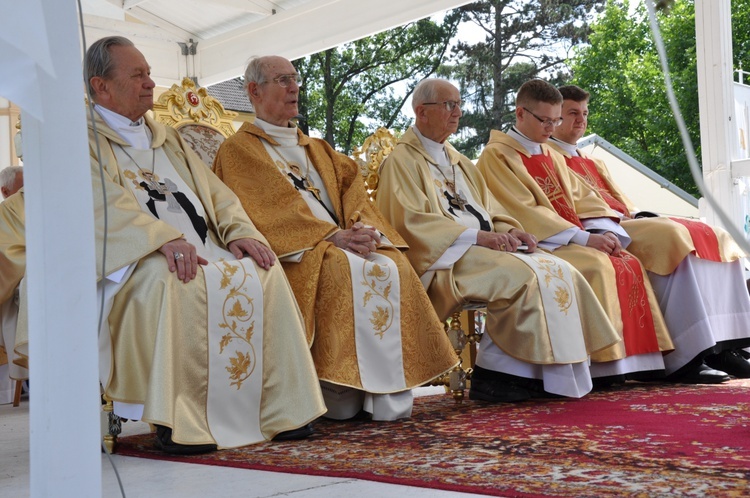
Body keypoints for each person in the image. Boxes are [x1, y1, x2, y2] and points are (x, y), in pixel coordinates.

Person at [8, 36, 327, 454]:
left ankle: (282, 410)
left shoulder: (167, 137)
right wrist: (159, 239)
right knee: (173, 279)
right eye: (137, 75)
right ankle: (177, 419)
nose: (150, 83)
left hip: (196, 246)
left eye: (149, 73)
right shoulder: (76, 138)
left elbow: (216, 194)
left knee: (265, 270)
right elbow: (96, 204)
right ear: (100, 85)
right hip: (120, 259)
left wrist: (239, 231)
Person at [213, 56, 458, 420]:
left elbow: (354, 192)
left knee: (395, 265)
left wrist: (362, 229)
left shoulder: (319, 148)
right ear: (254, 91)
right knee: (342, 268)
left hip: (341, 241)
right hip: (296, 252)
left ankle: (386, 397)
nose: (294, 87)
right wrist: (331, 237)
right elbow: (260, 211)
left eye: (294, 79)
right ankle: (340, 393)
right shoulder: (238, 151)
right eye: (282, 80)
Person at [375, 78, 621, 401]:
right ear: (421, 112)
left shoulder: (460, 162)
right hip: (448, 259)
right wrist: (478, 237)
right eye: (449, 105)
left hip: (481, 247)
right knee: (523, 276)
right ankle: (497, 375)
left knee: (560, 269)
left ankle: (545, 375)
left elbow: (490, 209)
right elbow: (409, 224)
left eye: (459, 105)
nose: (457, 113)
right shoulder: (401, 162)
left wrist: (510, 231)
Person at [477, 79, 684, 385]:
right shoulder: (498, 156)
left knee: (625, 260)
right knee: (598, 265)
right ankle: (601, 366)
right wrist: (586, 238)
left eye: (555, 120)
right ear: (520, 113)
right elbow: (522, 211)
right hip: (541, 243)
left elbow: (584, 199)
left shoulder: (551, 155)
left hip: (572, 237)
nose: (551, 128)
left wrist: (606, 232)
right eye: (545, 120)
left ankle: (630, 363)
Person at [548, 84, 750, 379]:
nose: (581, 120)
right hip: (600, 227)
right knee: (672, 237)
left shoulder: (592, 160)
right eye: (572, 113)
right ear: (554, 118)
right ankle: (687, 356)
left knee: (716, 235)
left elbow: (621, 202)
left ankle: (724, 346)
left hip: (625, 219)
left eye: (585, 113)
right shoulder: (548, 157)